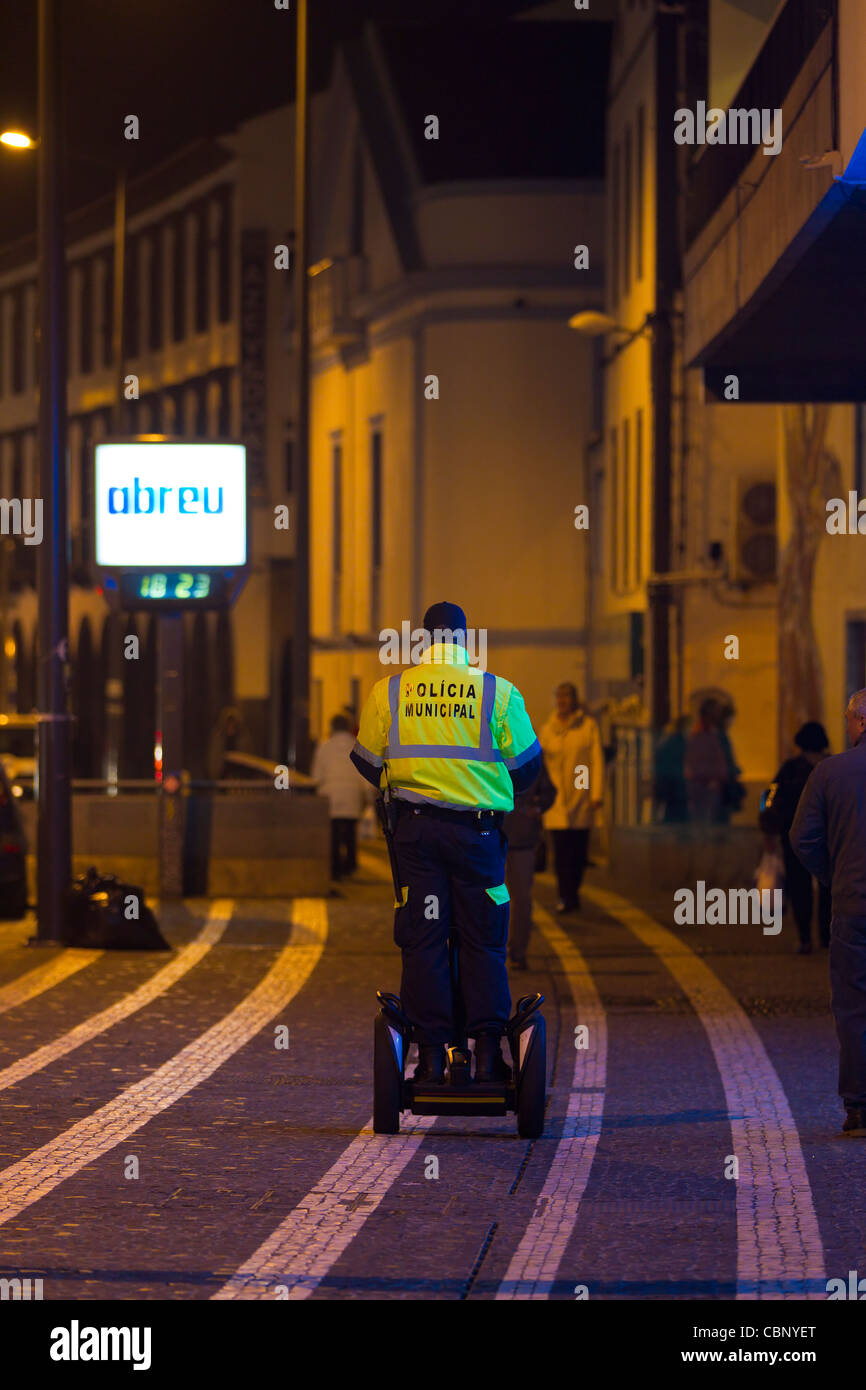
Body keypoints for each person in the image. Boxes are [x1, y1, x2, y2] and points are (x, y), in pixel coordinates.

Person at [350, 601, 541, 1084]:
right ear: (463, 639)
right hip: (477, 837)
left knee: (425, 939)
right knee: (483, 940)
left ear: (422, 639)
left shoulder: (390, 691)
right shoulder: (496, 690)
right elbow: (528, 769)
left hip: (416, 835)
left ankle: (432, 1057)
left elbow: (367, 761)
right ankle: (487, 1053)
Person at [790, 689, 866, 1136]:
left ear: (858, 722)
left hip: (853, 904)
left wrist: (833, 878)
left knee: (854, 1006)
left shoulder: (829, 773)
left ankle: (859, 1107)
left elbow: (803, 838)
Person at [761, 721, 831, 954]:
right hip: (828, 835)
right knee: (829, 887)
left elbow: (769, 798)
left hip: (795, 834)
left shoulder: (790, 768)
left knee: (798, 885)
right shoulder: (833, 766)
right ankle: (826, 936)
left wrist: (768, 827)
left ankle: (804, 938)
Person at [542, 688, 604, 913]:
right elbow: (540, 763)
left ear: (574, 700)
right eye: (559, 697)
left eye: (566, 697)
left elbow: (596, 760)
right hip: (556, 799)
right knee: (560, 853)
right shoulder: (548, 730)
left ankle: (573, 893)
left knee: (578, 852)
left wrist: (596, 794)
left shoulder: (588, 727)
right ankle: (565, 896)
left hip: (581, 796)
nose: (562, 701)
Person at [503, 758, 556, 970]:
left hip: (496, 833)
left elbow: (548, 792)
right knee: (521, 899)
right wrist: (535, 809)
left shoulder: (486, 746)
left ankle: (511, 951)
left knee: (514, 899)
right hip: (515, 834)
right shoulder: (530, 753)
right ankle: (516, 953)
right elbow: (548, 792)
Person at [311, 714, 368, 881]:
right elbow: (364, 773)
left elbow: (317, 775)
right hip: (352, 795)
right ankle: (350, 865)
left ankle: (335, 868)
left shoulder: (324, 747)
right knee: (350, 832)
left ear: (332, 727)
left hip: (331, 796)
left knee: (334, 834)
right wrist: (368, 795)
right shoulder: (358, 746)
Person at [684, 698, 728, 824]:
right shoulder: (701, 734)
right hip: (704, 785)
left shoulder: (711, 733)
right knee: (703, 822)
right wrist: (712, 778)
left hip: (708, 784)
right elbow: (698, 760)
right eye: (716, 712)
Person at [653, 715, 691, 823]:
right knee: (678, 819)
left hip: (669, 785)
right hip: (677, 786)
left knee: (671, 816)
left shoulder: (668, 742)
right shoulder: (680, 743)